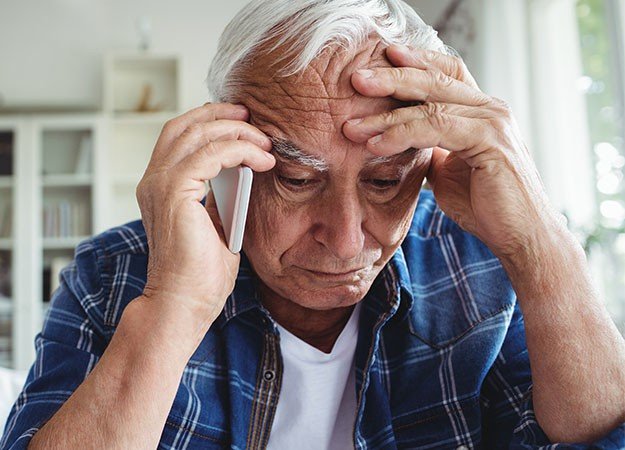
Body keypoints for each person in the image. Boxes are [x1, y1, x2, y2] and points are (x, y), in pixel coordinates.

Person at [3, 0, 625, 448]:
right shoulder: (116, 272)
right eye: (298, 180)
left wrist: (539, 243)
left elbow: (596, 436)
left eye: (385, 182)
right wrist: (174, 304)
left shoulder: (481, 259)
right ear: (228, 156)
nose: (347, 238)